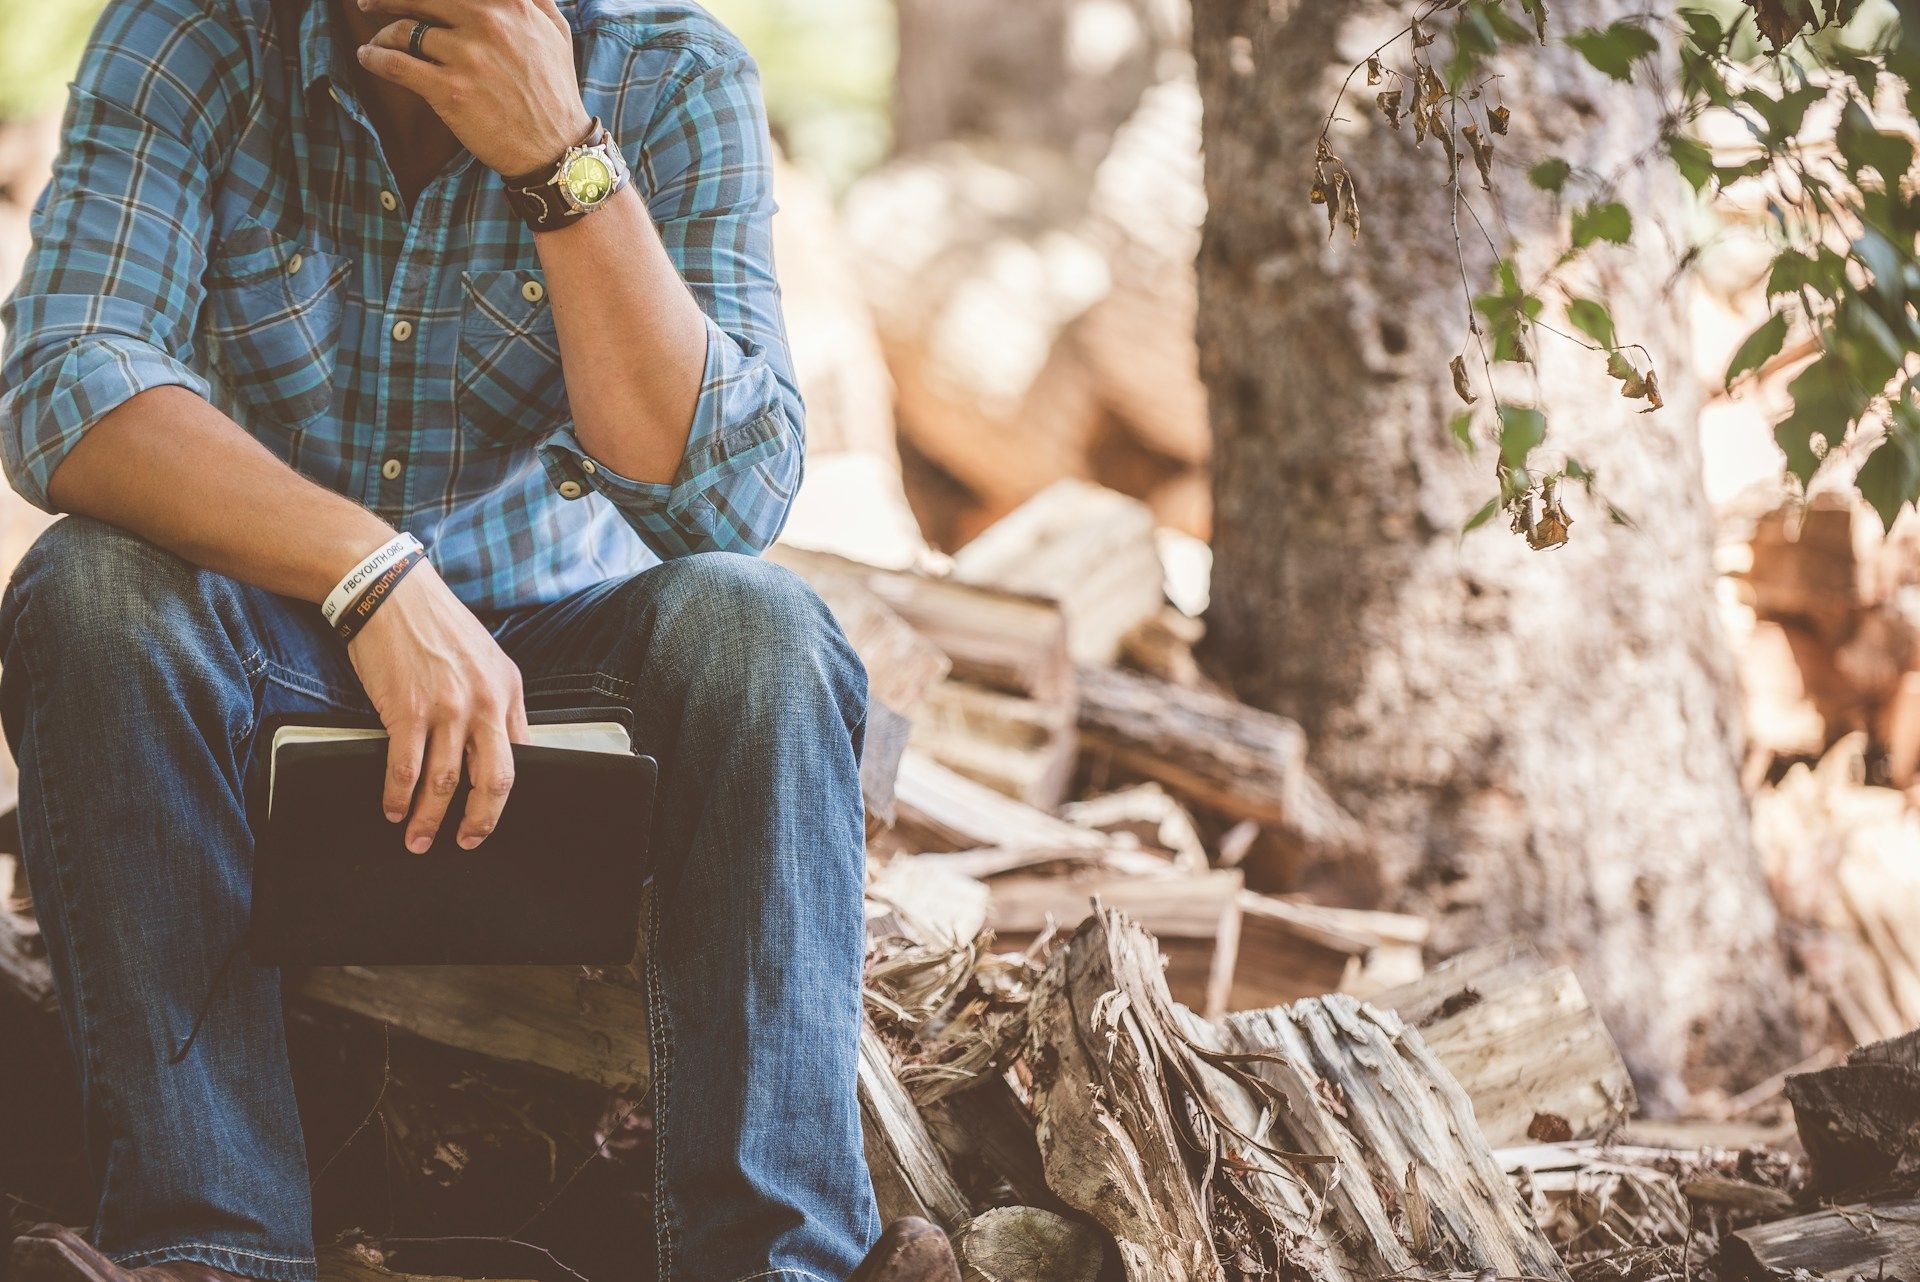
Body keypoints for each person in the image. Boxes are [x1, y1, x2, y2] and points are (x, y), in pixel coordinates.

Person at [0, 0, 957, 1279]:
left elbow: (729, 501)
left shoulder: (675, 70)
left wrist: (563, 161)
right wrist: (369, 572)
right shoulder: (191, 37)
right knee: (89, 587)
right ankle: (212, 1247)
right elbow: (66, 380)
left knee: (761, 628)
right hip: (259, 669)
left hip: (560, 694)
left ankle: (779, 1262)